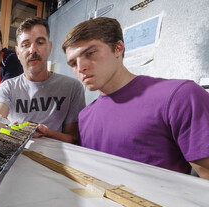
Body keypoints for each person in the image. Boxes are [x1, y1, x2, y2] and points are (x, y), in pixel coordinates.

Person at [62, 17, 209, 179]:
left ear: (118, 48)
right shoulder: (85, 116)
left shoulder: (180, 96)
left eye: (90, 53)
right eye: (73, 63)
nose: (81, 67)